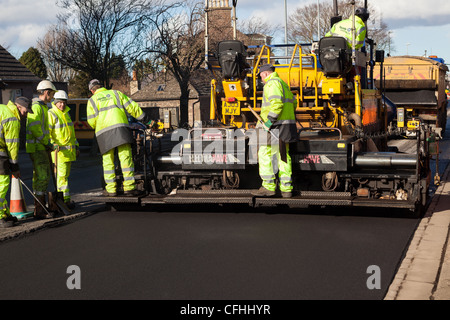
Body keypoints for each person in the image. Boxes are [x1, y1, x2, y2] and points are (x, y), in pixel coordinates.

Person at [86, 79, 153, 197]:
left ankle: (111, 190)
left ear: (92, 90)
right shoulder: (116, 94)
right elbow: (133, 108)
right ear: (102, 86)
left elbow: (91, 121)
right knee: (125, 157)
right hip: (121, 130)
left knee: (108, 162)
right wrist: (146, 120)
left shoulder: (92, 101)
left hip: (103, 133)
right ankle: (129, 187)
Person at [251, 64, 297, 198]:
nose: (261, 79)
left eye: (261, 76)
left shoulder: (271, 84)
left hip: (274, 126)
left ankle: (268, 186)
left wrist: (269, 122)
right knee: (283, 156)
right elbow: (293, 103)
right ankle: (286, 189)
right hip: (286, 127)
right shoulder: (283, 84)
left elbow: (277, 104)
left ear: (265, 74)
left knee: (265, 153)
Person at [0, 97, 32, 228]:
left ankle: (4, 213)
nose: (26, 115)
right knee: (2, 185)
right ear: (18, 107)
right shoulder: (12, 119)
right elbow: (12, 146)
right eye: (25, 111)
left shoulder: (2, 108)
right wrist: (15, 167)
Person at [27, 80, 56, 219]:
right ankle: (40, 209)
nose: (52, 97)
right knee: (43, 177)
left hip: (39, 147)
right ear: (46, 92)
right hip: (38, 148)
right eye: (52, 94)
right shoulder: (37, 107)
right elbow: (34, 128)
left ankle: (40, 208)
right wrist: (47, 143)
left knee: (38, 178)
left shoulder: (42, 107)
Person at [48, 90, 79, 210]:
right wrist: (52, 144)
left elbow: (72, 134)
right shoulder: (52, 114)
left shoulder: (67, 114)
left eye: (64, 102)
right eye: (59, 102)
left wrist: (76, 146)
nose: (62, 105)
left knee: (65, 176)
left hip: (68, 153)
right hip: (59, 153)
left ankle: (64, 200)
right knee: (62, 178)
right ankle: (64, 201)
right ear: (55, 102)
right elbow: (48, 133)